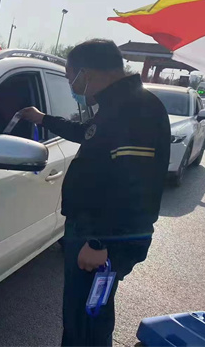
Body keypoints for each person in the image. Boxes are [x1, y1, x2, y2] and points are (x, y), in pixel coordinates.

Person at [20, 39, 171, 346]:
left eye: (70, 77)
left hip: (104, 237)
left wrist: (99, 242)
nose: (71, 85)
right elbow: (89, 133)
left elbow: (133, 186)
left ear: (86, 73)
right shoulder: (120, 105)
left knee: (86, 320)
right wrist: (43, 119)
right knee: (86, 315)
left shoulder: (136, 110)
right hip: (95, 231)